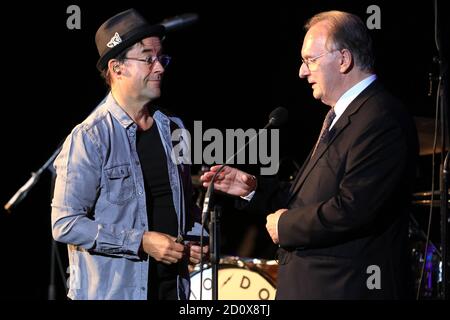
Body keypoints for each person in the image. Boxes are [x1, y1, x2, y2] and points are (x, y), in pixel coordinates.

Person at [201, 10, 418, 299]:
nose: (302, 72)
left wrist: (286, 225)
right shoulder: (342, 116)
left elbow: (353, 209)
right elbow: (309, 200)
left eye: (310, 60)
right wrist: (251, 189)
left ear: (343, 59)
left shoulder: (380, 117)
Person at [51, 8, 208, 300]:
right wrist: (141, 242)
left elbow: (182, 206)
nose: (160, 67)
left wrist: (197, 239)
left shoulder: (174, 128)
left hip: (173, 291)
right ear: (117, 67)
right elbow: (65, 224)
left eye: (161, 58)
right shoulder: (90, 137)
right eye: (148, 58)